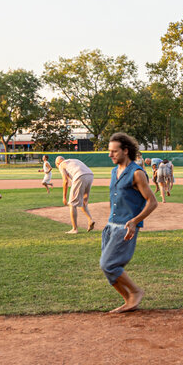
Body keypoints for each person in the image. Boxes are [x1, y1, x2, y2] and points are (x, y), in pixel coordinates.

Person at [99, 132, 159, 313]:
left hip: (125, 227)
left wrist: (135, 221)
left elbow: (152, 202)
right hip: (111, 226)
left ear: (126, 151)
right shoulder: (113, 171)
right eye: (109, 151)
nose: (110, 155)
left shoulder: (137, 173)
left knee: (108, 264)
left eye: (114, 151)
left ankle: (135, 291)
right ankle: (129, 299)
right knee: (108, 267)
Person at [55, 155, 95, 234]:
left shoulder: (61, 164)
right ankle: (90, 220)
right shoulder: (74, 160)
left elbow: (65, 181)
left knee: (72, 204)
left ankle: (74, 229)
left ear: (57, 163)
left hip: (80, 175)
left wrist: (64, 197)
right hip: (90, 175)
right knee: (83, 202)